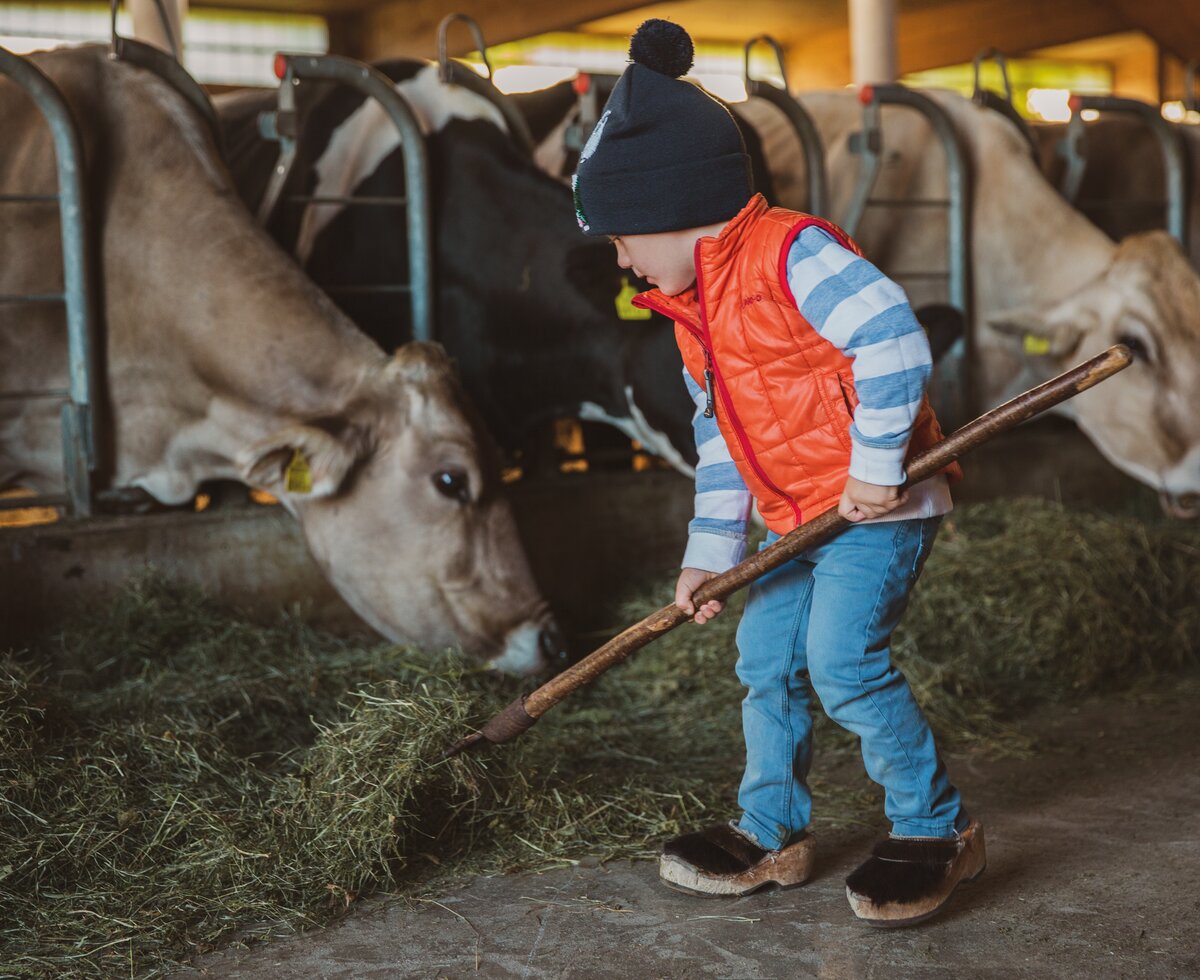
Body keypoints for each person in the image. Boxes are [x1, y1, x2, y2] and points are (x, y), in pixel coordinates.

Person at [571, 19, 985, 928]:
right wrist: (709, 551)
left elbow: (892, 341)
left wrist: (878, 467)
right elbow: (720, 436)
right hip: (790, 516)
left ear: (665, 207)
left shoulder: (793, 254)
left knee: (842, 664)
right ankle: (772, 831)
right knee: (764, 661)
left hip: (876, 510)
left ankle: (936, 830)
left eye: (618, 236)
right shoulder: (693, 317)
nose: (618, 257)